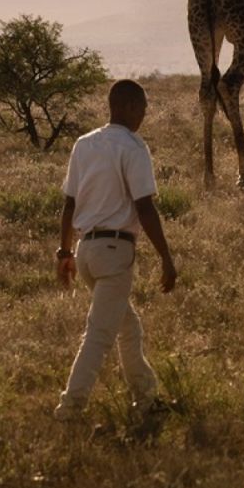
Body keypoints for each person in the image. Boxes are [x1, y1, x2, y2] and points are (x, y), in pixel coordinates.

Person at [54, 79, 177, 421]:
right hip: (114, 252)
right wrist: (167, 258)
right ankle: (71, 406)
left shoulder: (84, 144)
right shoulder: (133, 147)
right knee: (99, 335)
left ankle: (147, 399)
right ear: (125, 107)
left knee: (128, 328)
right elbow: (145, 208)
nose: (144, 115)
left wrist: (64, 253)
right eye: (142, 108)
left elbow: (69, 204)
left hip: (86, 252)